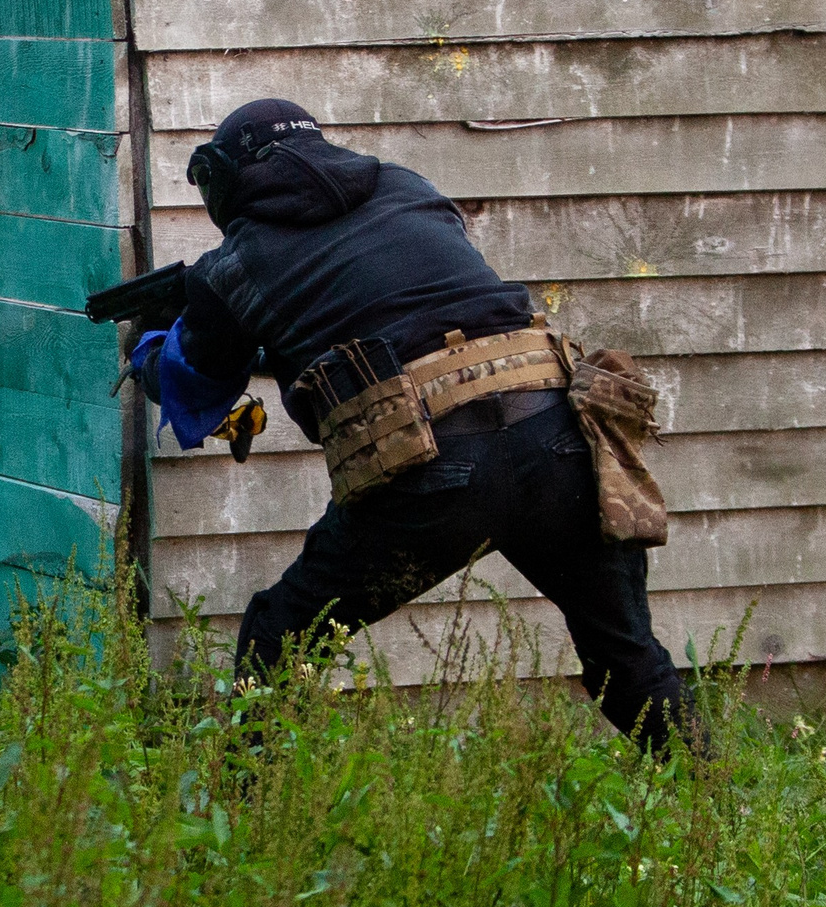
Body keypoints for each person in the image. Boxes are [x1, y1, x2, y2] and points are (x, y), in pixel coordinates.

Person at [134, 98, 700, 755]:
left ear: (224, 179)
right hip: (559, 438)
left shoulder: (231, 267)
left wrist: (148, 353)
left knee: (279, 637)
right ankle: (713, 800)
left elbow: (198, 383)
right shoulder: (408, 187)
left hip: (437, 472)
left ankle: (249, 804)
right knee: (627, 657)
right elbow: (403, 307)